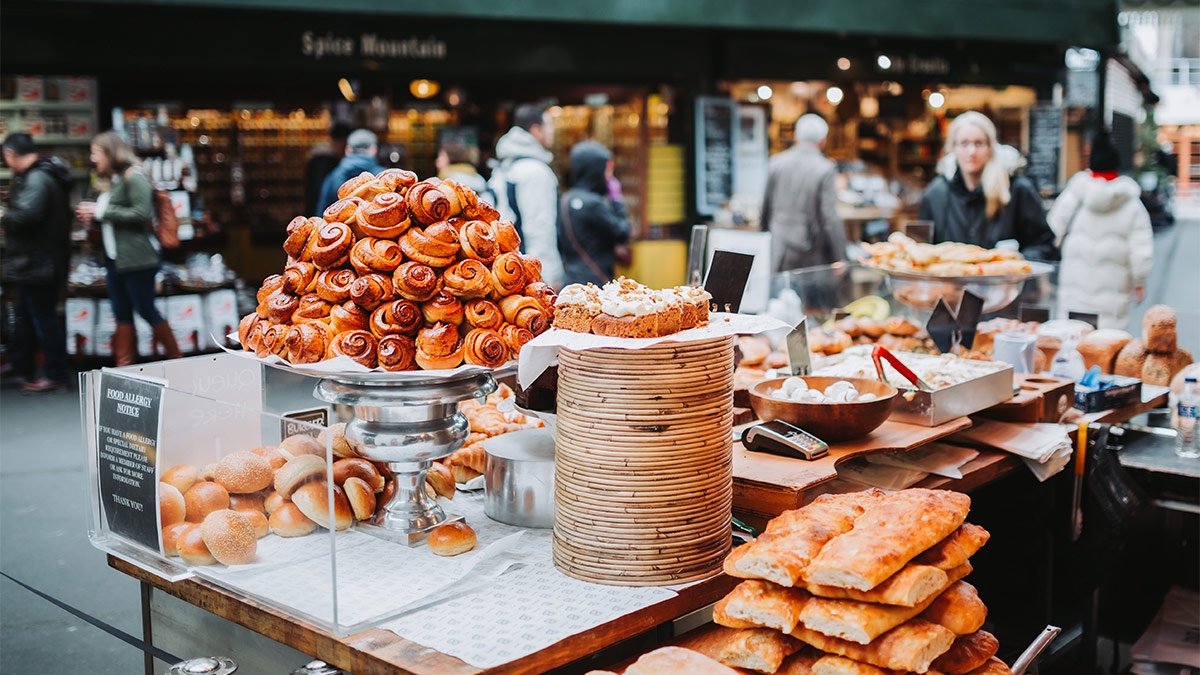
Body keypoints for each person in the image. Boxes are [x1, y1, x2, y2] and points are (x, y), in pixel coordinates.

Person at [75, 131, 181, 366]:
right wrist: (95, 212)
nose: (93, 159)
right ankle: (125, 368)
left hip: (139, 258)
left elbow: (140, 213)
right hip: (117, 259)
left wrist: (101, 212)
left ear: (111, 153)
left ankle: (177, 359)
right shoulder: (116, 179)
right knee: (122, 312)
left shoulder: (135, 176)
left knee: (145, 309)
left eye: (96, 153)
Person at [1047, 130, 1153, 329]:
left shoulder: (1075, 193)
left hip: (1075, 287)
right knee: (1108, 344)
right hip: (1112, 293)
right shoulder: (1132, 204)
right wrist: (1139, 280)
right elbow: (1141, 248)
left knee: (1073, 340)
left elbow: (1053, 229)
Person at [918, 111, 1058, 261]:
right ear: (953, 148)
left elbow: (1044, 244)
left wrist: (1021, 259)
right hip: (950, 282)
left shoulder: (1017, 189)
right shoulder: (935, 195)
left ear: (990, 147)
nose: (971, 152)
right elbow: (922, 252)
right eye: (964, 143)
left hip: (1004, 282)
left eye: (979, 143)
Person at [0, 133, 73, 392]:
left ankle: (56, 373)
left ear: (10, 154)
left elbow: (27, 216)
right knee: (27, 315)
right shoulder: (41, 175)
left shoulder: (37, 179)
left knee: (43, 318)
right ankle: (22, 363)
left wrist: (3, 215)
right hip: (36, 262)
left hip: (39, 263)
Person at [487, 103, 564, 289]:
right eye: (549, 126)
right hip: (529, 272)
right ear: (536, 130)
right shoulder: (536, 172)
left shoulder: (505, 165)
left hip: (508, 268)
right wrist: (547, 276)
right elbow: (540, 226)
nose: (553, 132)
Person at [761, 114, 848, 272]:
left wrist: (762, 237)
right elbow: (829, 216)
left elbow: (765, 206)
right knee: (807, 294)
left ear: (796, 136)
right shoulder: (825, 168)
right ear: (823, 140)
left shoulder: (776, 162)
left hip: (779, 244)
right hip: (810, 249)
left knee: (779, 293)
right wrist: (840, 256)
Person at [557, 141, 632, 287]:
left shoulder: (565, 199)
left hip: (571, 280)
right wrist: (617, 200)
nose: (608, 176)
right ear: (595, 170)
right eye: (607, 170)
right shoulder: (594, 204)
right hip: (595, 284)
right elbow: (622, 232)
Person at [316, 128, 385, 214]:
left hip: (339, 227)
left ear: (347, 150)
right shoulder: (384, 177)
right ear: (373, 150)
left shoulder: (333, 177)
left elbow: (321, 213)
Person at [304, 121, 351, 217]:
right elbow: (319, 190)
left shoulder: (318, 157)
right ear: (342, 141)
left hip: (315, 210)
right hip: (322, 213)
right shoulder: (326, 161)